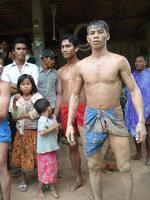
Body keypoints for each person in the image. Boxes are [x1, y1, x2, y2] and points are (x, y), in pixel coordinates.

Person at [66, 20, 146, 200]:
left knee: (124, 166)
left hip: (115, 115)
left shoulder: (119, 61)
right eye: (91, 33)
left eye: (99, 32)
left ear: (107, 35)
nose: (95, 36)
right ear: (87, 38)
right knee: (93, 166)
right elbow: (75, 95)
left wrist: (141, 121)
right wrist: (70, 123)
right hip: (92, 117)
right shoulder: (81, 66)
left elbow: (134, 90)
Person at [54, 34, 86, 192]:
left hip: (83, 108)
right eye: (62, 47)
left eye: (68, 46)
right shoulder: (60, 71)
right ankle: (78, 178)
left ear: (77, 48)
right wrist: (55, 115)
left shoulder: (84, 66)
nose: (64, 49)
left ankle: (95, 181)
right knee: (72, 146)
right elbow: (59, 94)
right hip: (66, 109)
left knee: (89, 145)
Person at [10, 74, 42, 192]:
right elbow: (14, 116)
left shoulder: (38, 97)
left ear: (32, 85)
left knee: (39, 156)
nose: (26, 86)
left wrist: (23, 115)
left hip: (36, 132)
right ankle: (23, 179)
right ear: (19, 86)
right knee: (23, 156)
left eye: (28, 84)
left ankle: (42, 179)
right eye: (23, 84)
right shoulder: (17, 99)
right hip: (22, 133)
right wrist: (14, 103)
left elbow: (38, 113)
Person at [125, 54, 150, 165]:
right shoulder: (133, 76)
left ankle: (149, 156)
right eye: (136, 61)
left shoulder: (149, 75)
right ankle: (139, 154)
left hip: (148, 109)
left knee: (148, 134)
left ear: (145, 63)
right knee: (135, 132)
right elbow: (129, 92)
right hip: (134, 109)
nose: (137, 63)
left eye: (140, 61)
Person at [34, 98, 60, 198]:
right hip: (44, 151)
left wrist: (55, 122)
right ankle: (40, 189)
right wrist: (54, 126)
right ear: (48, 108)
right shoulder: (42, 120)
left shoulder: (48, 119)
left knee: (52, 169)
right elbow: (42, 132)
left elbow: (56, 132)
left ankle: (52, 187)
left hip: (50, 150)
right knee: (43, 170)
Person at [0, 80, 11, 200]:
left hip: (0, 127)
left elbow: (2, 113)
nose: (0, 66)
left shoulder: (4, 85)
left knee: (1, 166)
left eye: (2, 63)